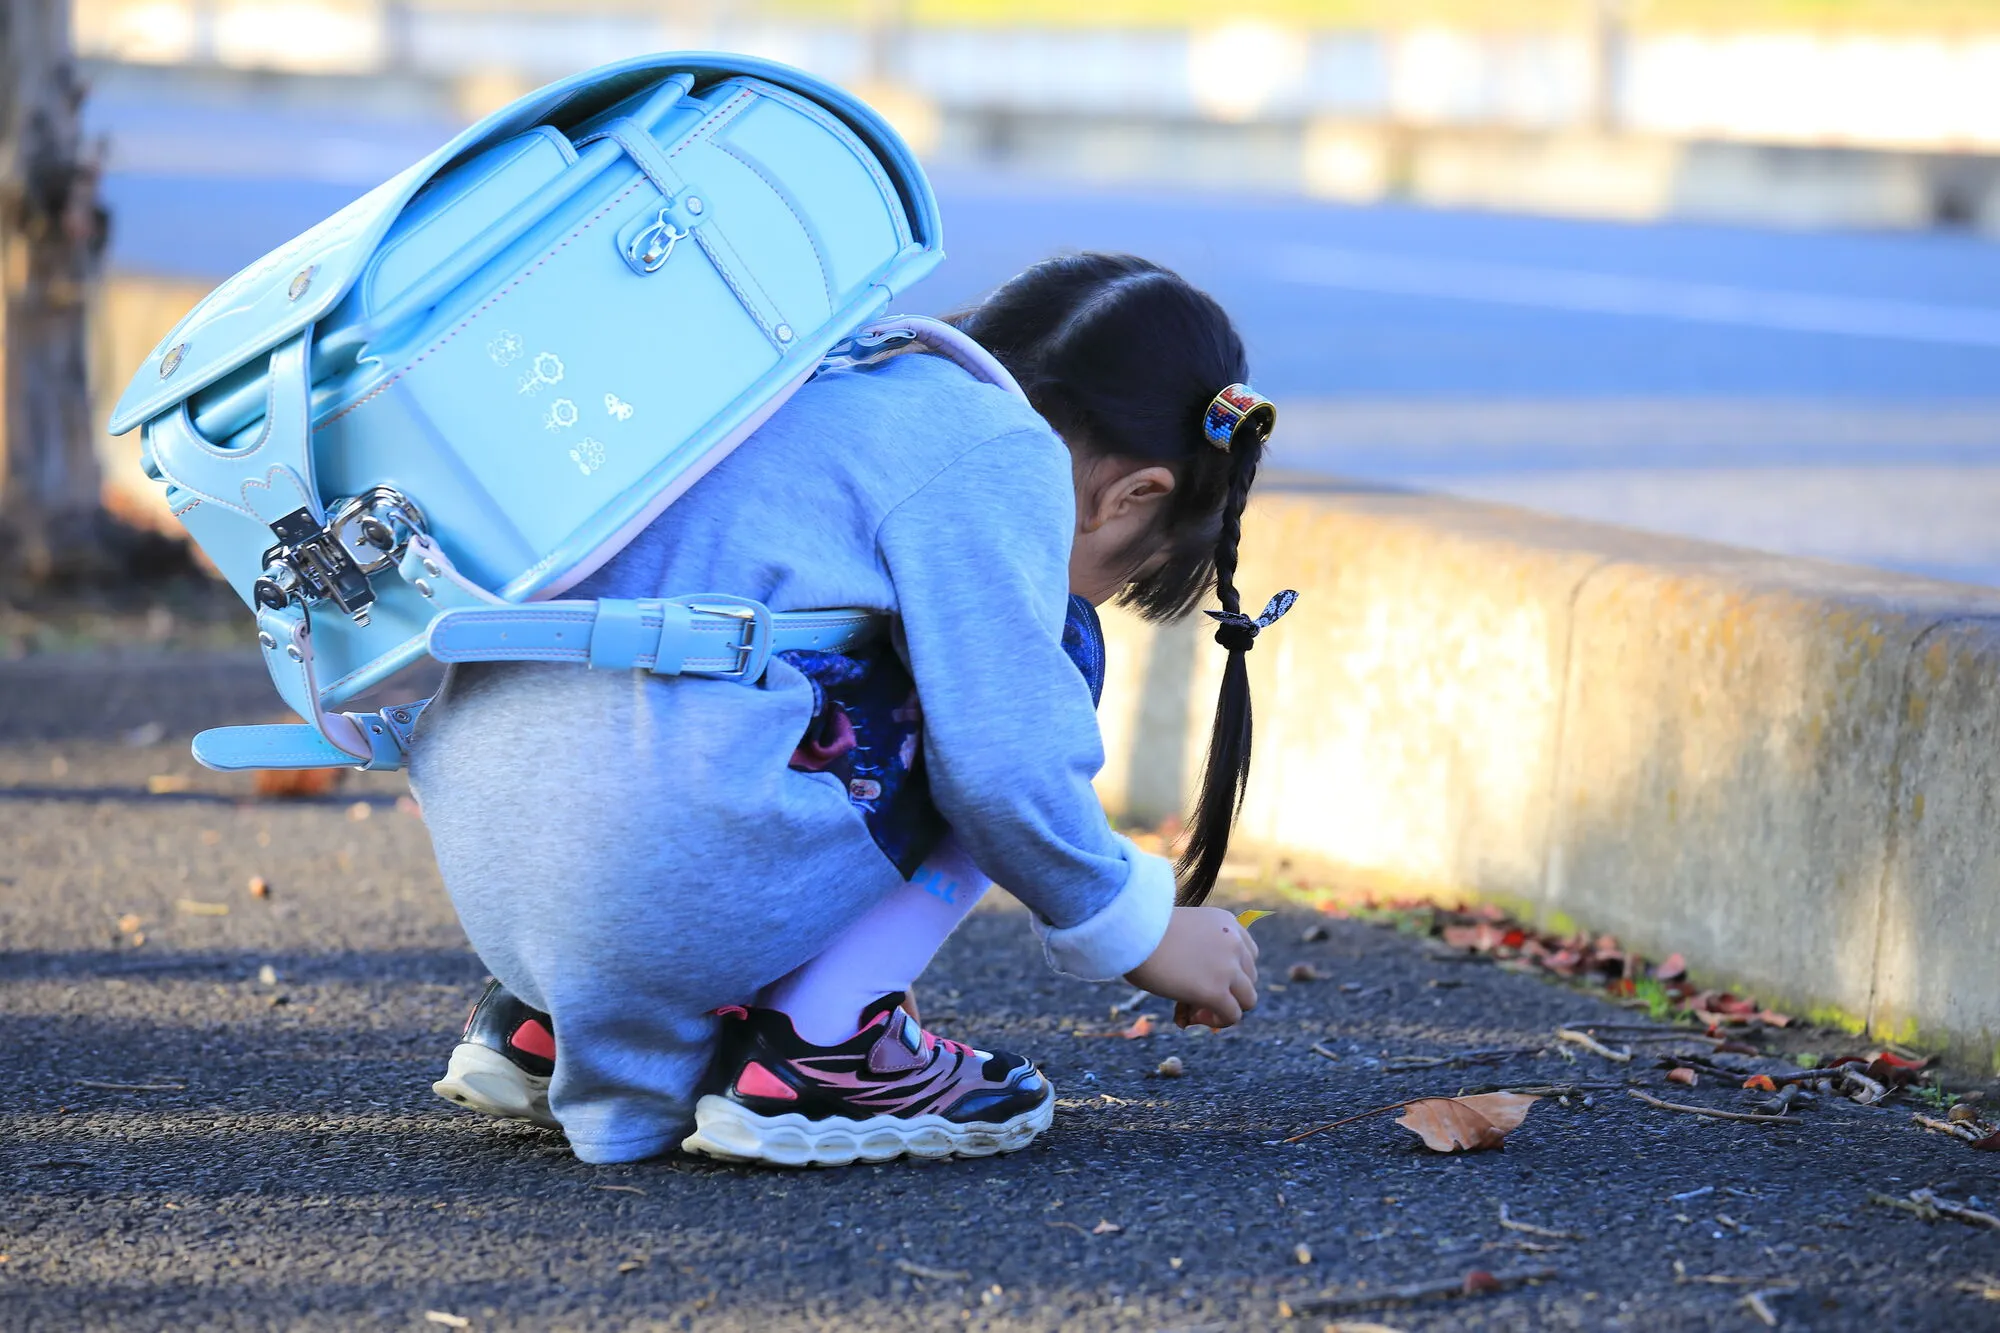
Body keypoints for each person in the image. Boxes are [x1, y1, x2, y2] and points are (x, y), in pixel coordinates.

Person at [410, 252, 1290, 1166]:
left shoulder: (818, 376)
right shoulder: (1000, 452)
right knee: (1040, 656)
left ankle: (549, 1021)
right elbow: (1003, 761)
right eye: (1132, 568)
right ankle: (827, 1044)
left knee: (770, 669)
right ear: (1132, 495)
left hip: (500, 863)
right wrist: (1134, 925)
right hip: (649, 885)